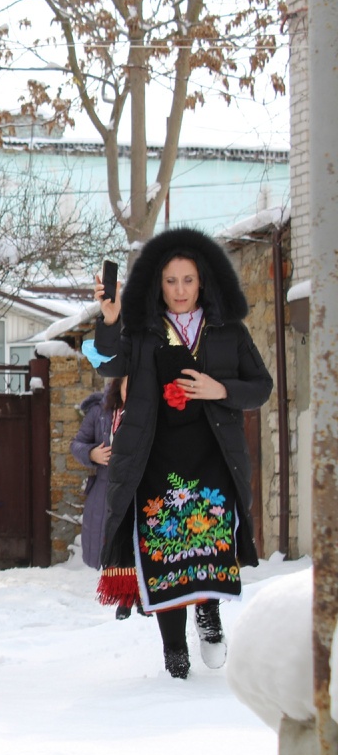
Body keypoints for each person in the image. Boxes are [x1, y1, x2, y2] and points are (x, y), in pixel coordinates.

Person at [91, 227, 272, 679]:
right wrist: (110, 319)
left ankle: (208, 617)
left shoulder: (229, 331)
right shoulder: (142, 332)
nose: (179, 291)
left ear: (203, 281)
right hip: (156, 460)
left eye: (187, 280)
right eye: (171, 281)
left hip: (212, 458)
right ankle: (174, 652)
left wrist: (220, 388)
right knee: (164, 552)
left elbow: (261, 387)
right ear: (158, 284)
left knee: (207, 545)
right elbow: (105, 364)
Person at [69, 378, 126, 573]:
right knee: (107, 558)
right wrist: (92, 453)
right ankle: (122, 602)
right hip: (102, 493)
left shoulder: (145, 410)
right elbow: (76, 444)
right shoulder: (99, 411)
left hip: (134, 491)